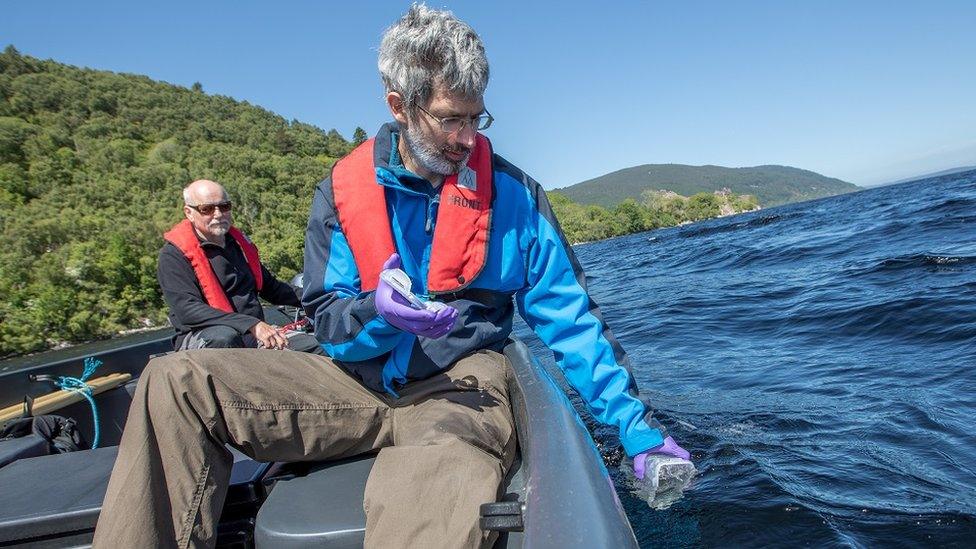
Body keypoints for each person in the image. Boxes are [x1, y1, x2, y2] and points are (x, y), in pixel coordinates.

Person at [93, 6, 689, 548]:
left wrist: (638, 433)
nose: (467, 139)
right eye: (450, 118)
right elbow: (328, 320)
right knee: (175, 380)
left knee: (437, 486)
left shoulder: (515, 198)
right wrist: (377, 314)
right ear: (398, 105)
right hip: (351, 379)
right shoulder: (341, 193)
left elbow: (571, 322)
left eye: (476, 118)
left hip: (458, 384)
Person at [157, 179, 313, 351]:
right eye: (207, 209)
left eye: (224, 206)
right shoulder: (173, 256)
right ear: (189, 212)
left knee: (319, 349)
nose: (218, 214)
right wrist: (250, 324)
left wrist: (321, 298)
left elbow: (272, 288)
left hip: (252, 332)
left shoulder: (238, 246)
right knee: (224, 338)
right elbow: (188, 311)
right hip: (205, 337)